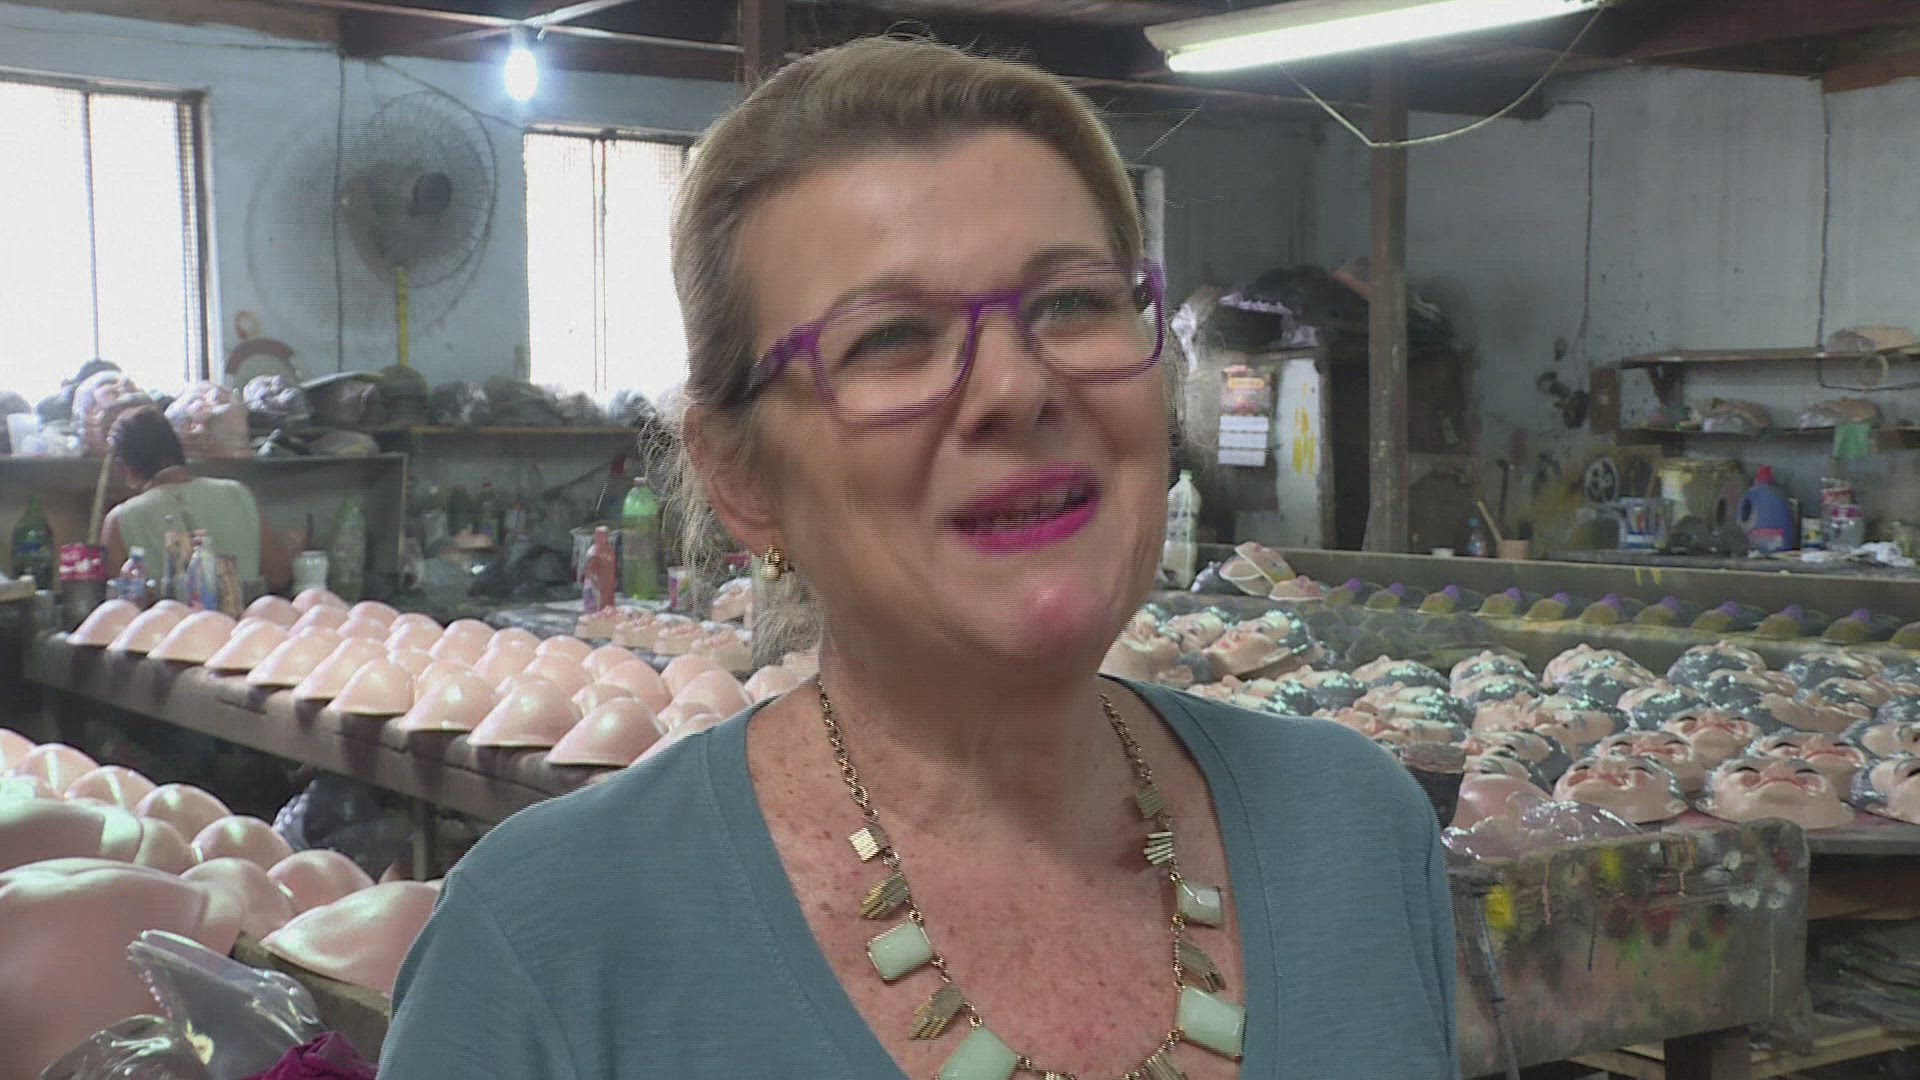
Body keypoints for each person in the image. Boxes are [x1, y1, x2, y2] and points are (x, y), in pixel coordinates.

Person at [381, 38, 1456, 1079]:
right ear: (742, 478)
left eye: (1073, 303)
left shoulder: (1354, 835)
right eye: (890, 339)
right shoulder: (549, 951)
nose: (1016, 389)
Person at [101, 407, 291, 595]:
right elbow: (279, 576)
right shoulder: (237, 492)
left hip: (165, 616)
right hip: (247, 614)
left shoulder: (120, 519)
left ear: (123, 466)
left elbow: (119, 601)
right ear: (177, 448)